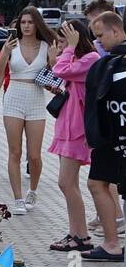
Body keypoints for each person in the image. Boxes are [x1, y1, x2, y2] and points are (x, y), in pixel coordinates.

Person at [0, 5, 59, 215]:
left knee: (34, 155)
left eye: (30, 22)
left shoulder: (48, 46)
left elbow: (56, 76)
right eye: (23, 22)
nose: (27, 26)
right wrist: (6, 53)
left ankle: (33, 191)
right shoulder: (11, 44)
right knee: (15, 151)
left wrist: (55, 60)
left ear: (37, 24)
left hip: (36, 98)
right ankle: (17, 198)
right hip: (14, 97)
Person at [46, 19, 101, 253]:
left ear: (76, 37)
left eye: (64, 39)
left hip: (78, 130)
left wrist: (68, 48)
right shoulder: (77, 58)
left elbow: (61, 69)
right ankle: (75, 232)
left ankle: (82, 236)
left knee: (66, 182)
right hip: (66, 126)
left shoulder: (90, 59)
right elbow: (59, 73)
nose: (61, 45)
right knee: (68, 184)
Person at [81, 11, 126, 263]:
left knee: (97, 184)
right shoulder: (108, 62)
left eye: (100, 37)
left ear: (116, 31)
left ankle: (112, 243)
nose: (98, 43)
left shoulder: (111, 64)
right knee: (97, 183)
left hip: (111, 137)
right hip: (111, 136)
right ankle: (111, 243)